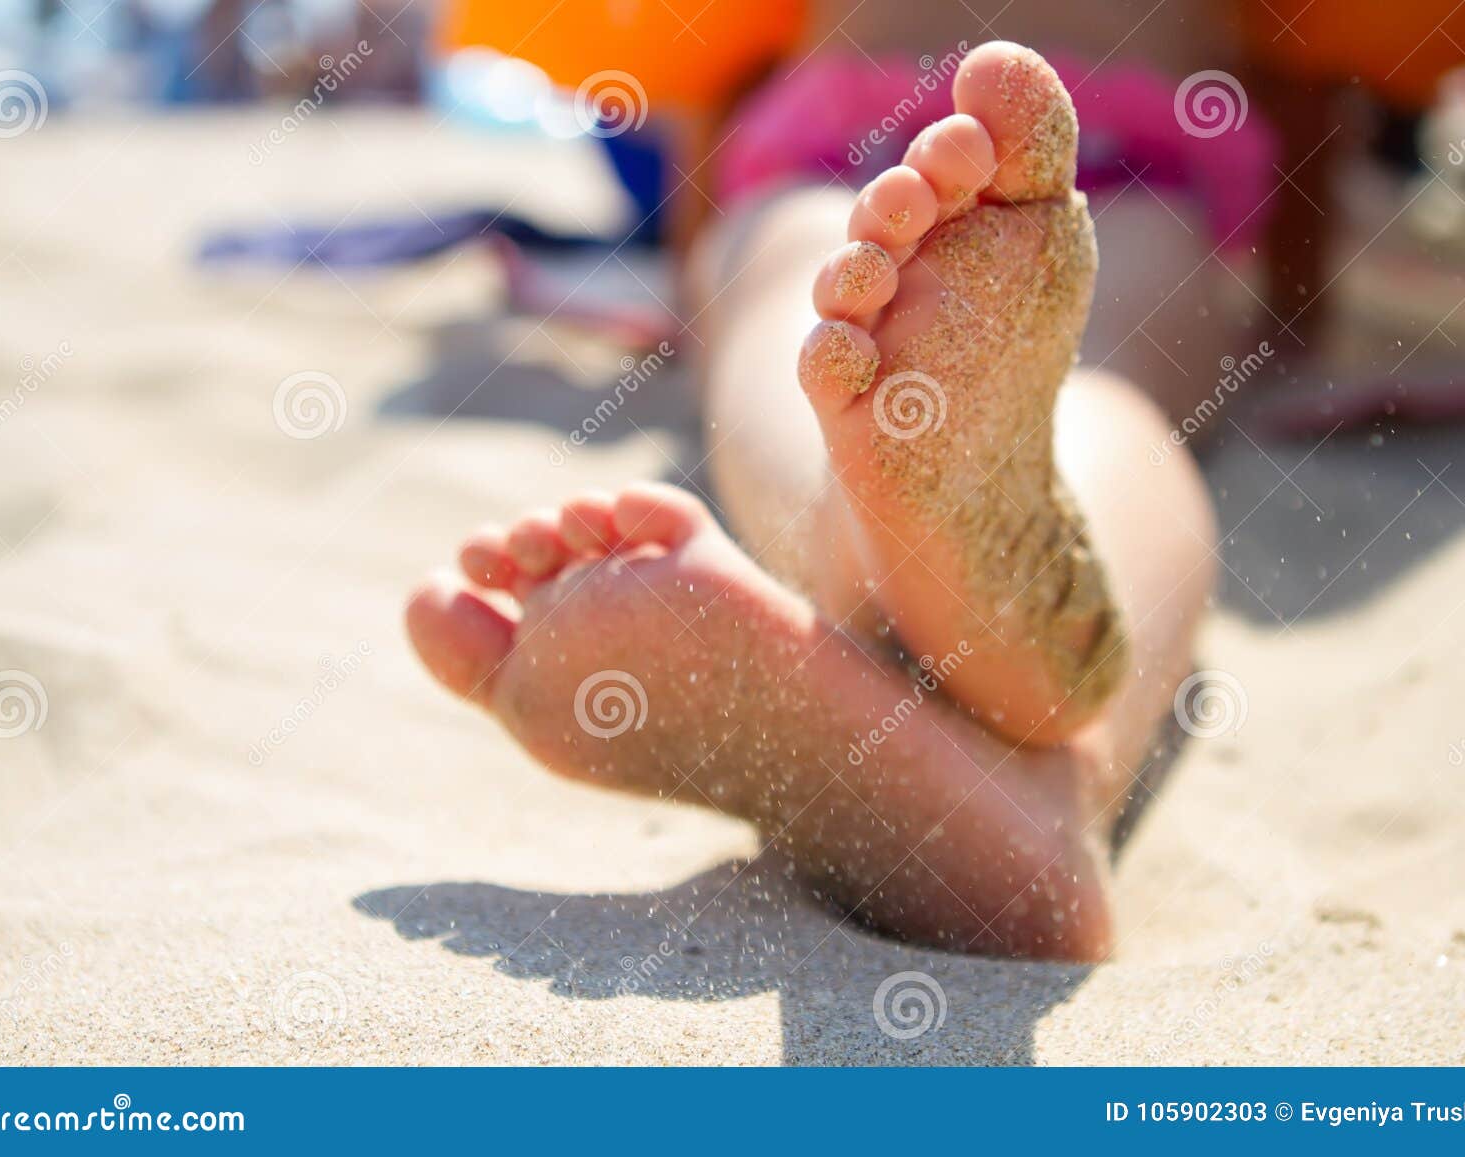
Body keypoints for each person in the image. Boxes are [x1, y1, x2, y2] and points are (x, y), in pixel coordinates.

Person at [404, 42, 1216, 961]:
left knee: (794, 292)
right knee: (1107, 376)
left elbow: (693, 57)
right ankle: (1067, 776)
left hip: (817, 139)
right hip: (1144, 144)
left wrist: (696, 284)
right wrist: (1306, 304)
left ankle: (853, 542)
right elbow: (1331, 61)